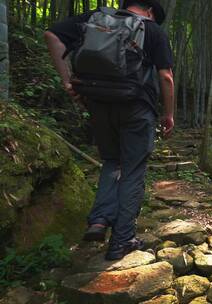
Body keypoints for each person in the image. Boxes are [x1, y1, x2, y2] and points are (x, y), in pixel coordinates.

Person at [44, 0, 175, 260]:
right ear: (150, 11)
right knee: (133, 170)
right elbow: (166, 77)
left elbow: (51, 35)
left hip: (98, 104)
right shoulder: (153, 30)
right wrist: (169, 113)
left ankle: (99, 220)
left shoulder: (96, 17)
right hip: (137, 107)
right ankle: (122, 240)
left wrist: (68, 82)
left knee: (111, 161)